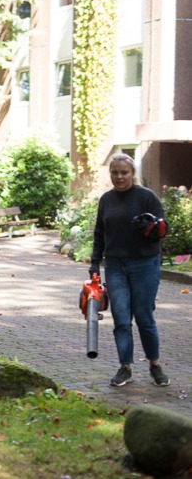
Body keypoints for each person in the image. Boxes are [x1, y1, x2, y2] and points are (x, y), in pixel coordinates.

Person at [90, 153, 170, 387]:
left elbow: (162, 230)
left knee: (144, 317)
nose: (119, 176)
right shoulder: (106, 200)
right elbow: (99, 233)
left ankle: (154, 364)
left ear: (133, 173)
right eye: (114, 172)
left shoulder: (147, 197)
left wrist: (151, 228)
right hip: (114, 265)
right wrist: (95, 262)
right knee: (121, 318)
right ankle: (125, 367)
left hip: (144, 264)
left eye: (124, 172)